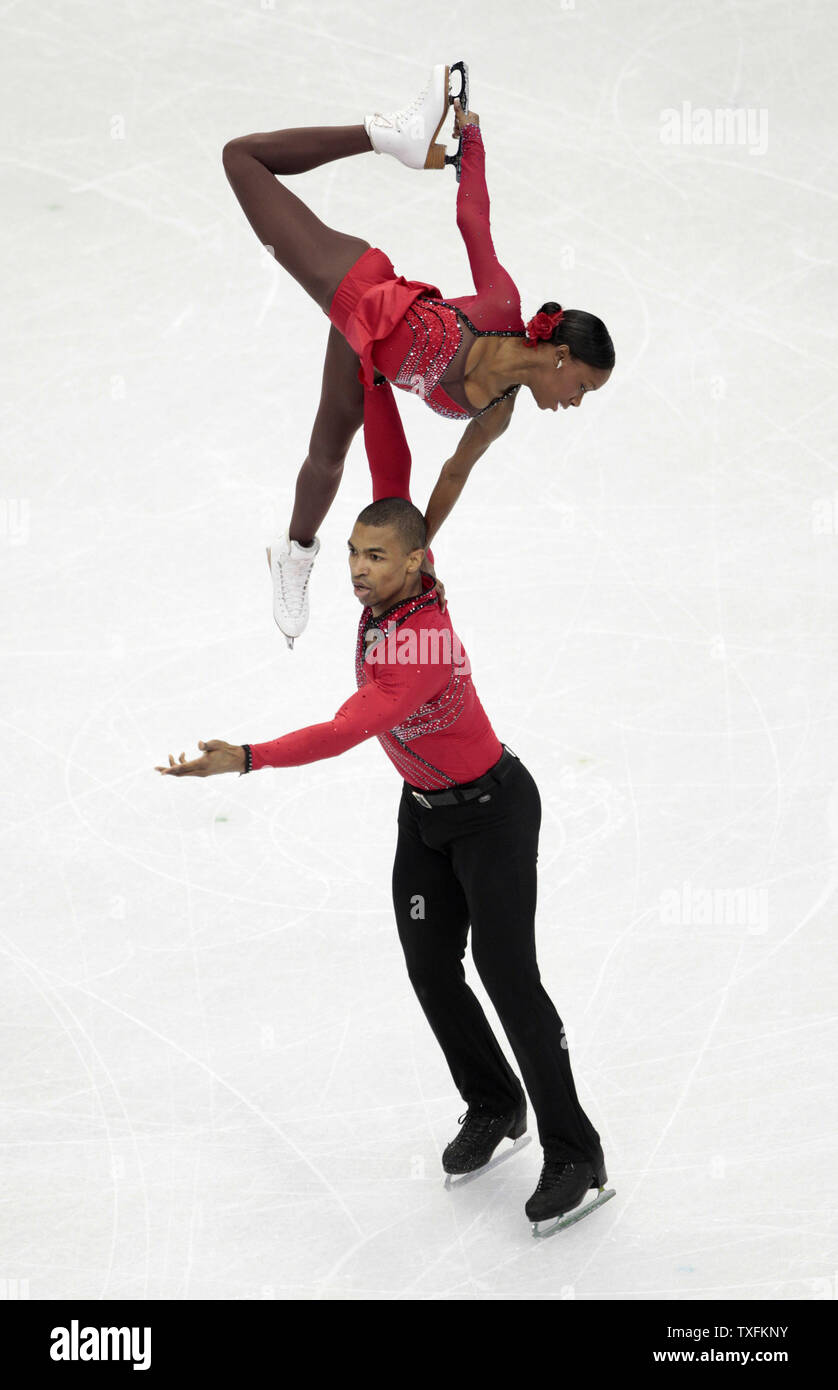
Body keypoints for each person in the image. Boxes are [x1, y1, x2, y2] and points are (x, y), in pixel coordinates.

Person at [156, 382, 611, 1235]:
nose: (357, 567)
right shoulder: (383, 596)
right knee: (432, 966)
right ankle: (493, 1100)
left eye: (374, 556)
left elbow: (346, 729)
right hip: (426, 817)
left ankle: (576, 1152)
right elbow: (394, 465)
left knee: (511, 980)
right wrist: (373, 377)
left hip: (494, 815)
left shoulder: (424, 647)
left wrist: (245, 758)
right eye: (354, 552)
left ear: (417, 561)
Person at [222, 63, 615, 645]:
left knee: (327, 457)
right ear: (561, 357)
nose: (576, 402)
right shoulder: (502, 307)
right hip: (358, 288)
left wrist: (417, 555)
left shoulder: (499, 410)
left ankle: (294, 553)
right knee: (241, 159)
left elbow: (454, 473)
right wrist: (470, 142)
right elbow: (472, 218)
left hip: (363, 355)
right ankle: (383, 135)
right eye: (583, 386)